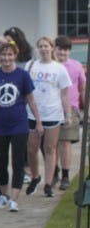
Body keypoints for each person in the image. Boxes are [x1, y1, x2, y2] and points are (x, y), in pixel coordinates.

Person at [0, 40, 41, 212]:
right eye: (3, 55)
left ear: (15, 55)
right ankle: (4, 195)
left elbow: (31, 99)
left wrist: (38, 122)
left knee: (18, 162)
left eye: (10, 54)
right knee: (1, 161)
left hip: (19, 124)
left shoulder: (22, 75)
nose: (6, 58)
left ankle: (14, 198)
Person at [24, 36, 72, 198]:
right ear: (37, 49)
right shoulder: (30, 66)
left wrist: (68, 114)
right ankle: (35, 176)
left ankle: (48, 183)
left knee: (50, 149)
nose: (44, 49)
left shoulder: (59, 69)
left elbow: (65, 94)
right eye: (41, 46)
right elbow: (25, 90)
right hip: (32, 113)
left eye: (47, 46)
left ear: (52, 48)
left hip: (53, 112)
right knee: (32, 149)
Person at [53, 35, 86, 191]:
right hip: (50, 109)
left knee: (65, 143)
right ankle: (53, 172)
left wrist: (85, 108)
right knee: (51, 145)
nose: (62, 53)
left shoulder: (76, 66)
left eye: (66, 50)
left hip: (70, 108)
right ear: (55, 49)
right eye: (60, 49)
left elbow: (83, 88)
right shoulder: (50, 66)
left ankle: (65, 175)